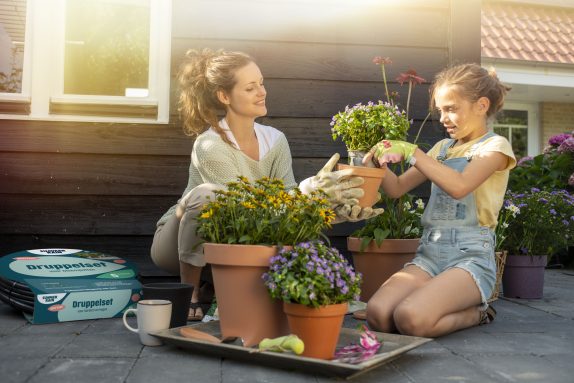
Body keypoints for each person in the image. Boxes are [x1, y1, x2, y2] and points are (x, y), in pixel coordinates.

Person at [151, 48, 381, 321]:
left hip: (238, 241)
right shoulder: (210, 145)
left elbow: (288, 207)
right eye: (250, 88)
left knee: (302, 228)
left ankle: (219, 285)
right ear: (224, 96)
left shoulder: (275, 140)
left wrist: (333, 209)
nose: (262, 92)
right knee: (207, 196)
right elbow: (238, 213)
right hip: (177, 242)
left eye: (261, 83)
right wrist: (307, 192)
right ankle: (190, 293)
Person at [362, 63, 516, 338]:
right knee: (378, 315)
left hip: (470, 258)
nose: (443, 118)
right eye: (440, 110)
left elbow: (460, 186)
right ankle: (432, 300)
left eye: (451, 109)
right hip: (430, 254)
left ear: (481, 105)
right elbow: (396, 189)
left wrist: (412, 152)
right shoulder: (442, 149)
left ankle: (478, 313)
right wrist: (377, 164)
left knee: (410, 319)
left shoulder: (495, 147)